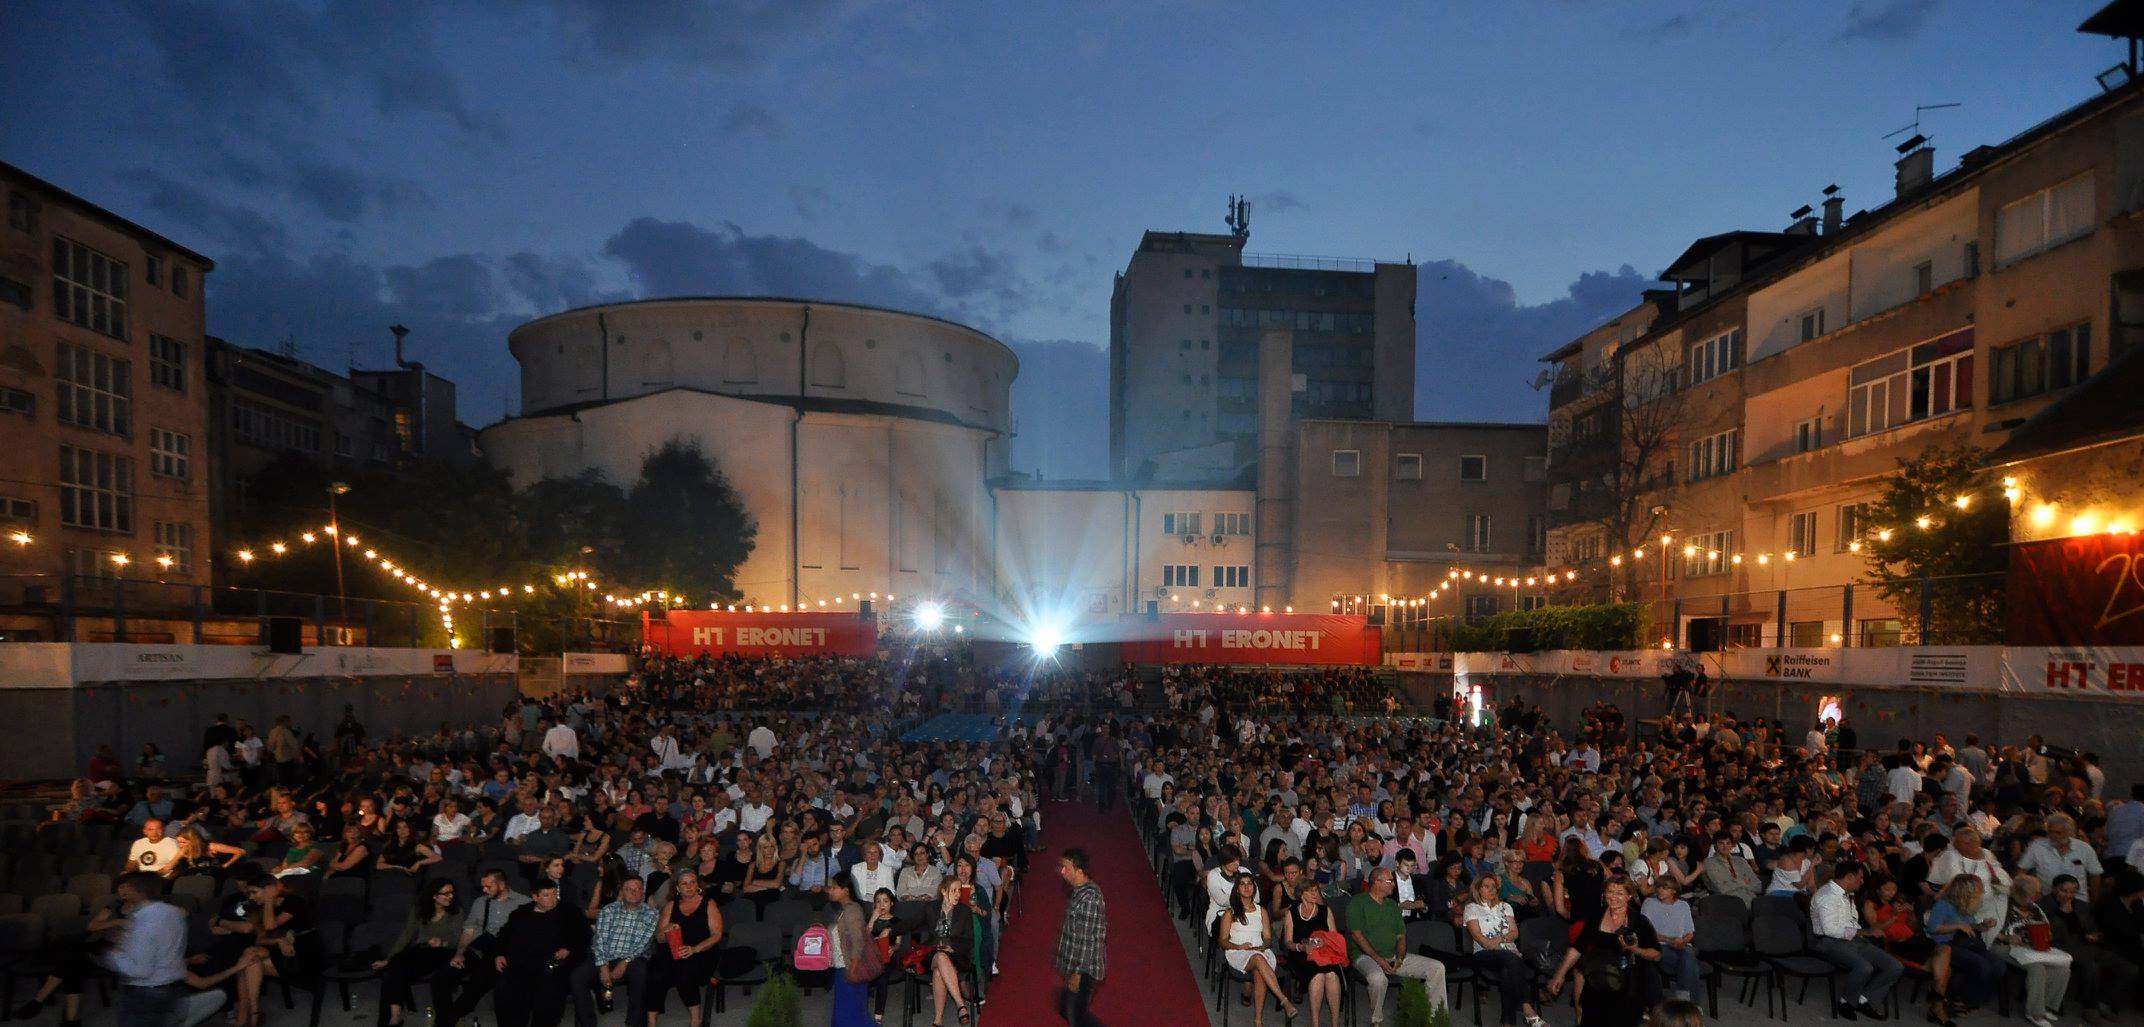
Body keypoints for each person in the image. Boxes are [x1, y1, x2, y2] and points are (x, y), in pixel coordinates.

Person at [1347, 867, 1447, 1026]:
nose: (1393, 884)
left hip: (1393, 956)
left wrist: (1400, 957)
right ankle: (1377, 1020)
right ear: (1377, 882)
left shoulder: (1392, 905)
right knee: (1377, 978)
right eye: (1390, 881)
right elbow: (1357, 935)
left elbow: (1401, 936)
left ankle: (1435, 1018)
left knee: (1437, 967)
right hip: (1365, 957)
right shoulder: (1358, 902)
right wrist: (1379, 960)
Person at [436, 868, 530, 1027]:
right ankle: (445, 1016)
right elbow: (468, 930)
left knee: (479, 982)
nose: (484, 890)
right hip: (479, 949)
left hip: (505, 953)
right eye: (483, 887)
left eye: (488, 886)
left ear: (501, 885)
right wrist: (459, 953)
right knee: (442, 977)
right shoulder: (480, 902)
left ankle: (446, 1020)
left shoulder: (524, 903)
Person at [1809, 863, 1902, 1020]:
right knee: (1864, 967)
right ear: (1849, 877)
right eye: (1860, 877)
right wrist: (1864, 932)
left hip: (1852, 939)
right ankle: (1846, 1002)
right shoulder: (1827, 896)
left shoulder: (1847, 894)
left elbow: (1852, 923)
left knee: (1894, 966)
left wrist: (1862, 933)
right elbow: (1830, 930)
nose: (1862, 881)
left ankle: (1863, 999)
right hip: (1827, 942)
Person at [492, 879, 591, 1027]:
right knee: (505, 987)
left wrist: (569, 948)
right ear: (535, 897)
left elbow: (584, 936)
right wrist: (499, 953)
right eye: (546, 895)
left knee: (549, 989)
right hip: (520, 962)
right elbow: (503, 935)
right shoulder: (520, 913)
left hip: (552, 962)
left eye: (554, 894)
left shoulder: (570, 912)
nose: (552, 899)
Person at [372, 878, 463, 1027]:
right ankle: (394, 1015)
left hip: (445, 952)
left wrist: (442, 942)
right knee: (393, 966)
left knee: (396, 969)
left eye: (452, 892)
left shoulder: (456, 911)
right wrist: (388, 958)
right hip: (423, 950)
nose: (451, 896)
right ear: (434, 896)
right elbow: (407, 934)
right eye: (446, 893)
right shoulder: (420, 909)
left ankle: (393, 1019)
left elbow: (459, 939)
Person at [1464, 874, 1547, 1027]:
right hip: (1483, 954)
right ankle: (1527, 1008)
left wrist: (1501, 940)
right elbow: (1479, 938)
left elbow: (1514, 933)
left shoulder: (1506, 906)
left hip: (1508, 954)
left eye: (1494, 887)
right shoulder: (1471, 908)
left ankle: (1507, 1023)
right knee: (1512, 958)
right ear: (1477, 889)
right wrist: (1501, 943)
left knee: (1507, 971)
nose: (1491, 889)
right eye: (1486, 886)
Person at [645, 870, 723, 1027]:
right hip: (672, 950)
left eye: (692, 882)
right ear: (678, 888)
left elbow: (716, 935)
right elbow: (659, 938)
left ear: (698, 885)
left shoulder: (709, 903)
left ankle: (695, 1020)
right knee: (656, 974)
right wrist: (666, 929)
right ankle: (651, 1021)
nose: (689, 886)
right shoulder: (670, 905)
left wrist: (694, 949)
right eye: (684, 883)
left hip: (701, 951)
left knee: (685, 974)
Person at [1220, 871, 1298, 1026]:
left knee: (1258, 971)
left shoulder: (1261, 911)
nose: (1247, 887)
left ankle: (1258, 1021)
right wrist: (1239, 946)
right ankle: (1284, 1000)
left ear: (1254, 889)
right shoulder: (1230, 913)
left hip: (1259, 950)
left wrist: (1263, 946)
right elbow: (1222, 941)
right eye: (1242, 884)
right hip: (1238, 952)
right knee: (1257, 959)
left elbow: (1268, 938)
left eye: (1250, 883)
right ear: (1237, 889)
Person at [1995, 876, 2072, 1027]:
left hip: (2028, 948)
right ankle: (2034, 1013)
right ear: (2019, 892)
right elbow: (1987, 928)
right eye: (2034, 893)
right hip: (2002, 945)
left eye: (2037, 893)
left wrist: (2045, 935)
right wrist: (2006, 937)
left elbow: (2044, 927)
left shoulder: (2034, 908)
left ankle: (2045, 1006)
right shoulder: (2002, 904)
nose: (2037, 896)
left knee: (2062, 967)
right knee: (2036, 967)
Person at [1924, 876, 2000, 1023]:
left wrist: (1982, 926)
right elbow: (1933, 929)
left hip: (1962, 942)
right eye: (1979, 889)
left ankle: (1969, 999)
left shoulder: (1965, 904)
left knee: (1998, 965)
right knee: (1982, 966)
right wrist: (1957, 926)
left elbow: (1969, 926)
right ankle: (1960, 1000)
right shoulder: (1944, 905)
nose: (1982, 892)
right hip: (1945, 943)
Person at [589, 875, 658, 1023]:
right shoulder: (608, 910)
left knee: (641, 972)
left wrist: (625, 961)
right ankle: (586, 1020)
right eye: (629, 889)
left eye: (637, 889)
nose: (633, 892)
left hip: (633, 957)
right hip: (605, 956)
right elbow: (599, 939)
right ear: (622, 892)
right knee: (578, 976)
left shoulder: (652, 914)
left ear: (643, 892)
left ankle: (634, 1021)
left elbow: (643, 944)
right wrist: (603, 966)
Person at [1280, 877, 1344, 1027]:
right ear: (1301, 893)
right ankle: (1315, 1023)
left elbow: (1335, 936)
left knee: (1332, 976)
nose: (1315, 894)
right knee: (1318, 977)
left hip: (1324, 953)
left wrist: (1325, 941)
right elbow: (1287, 942)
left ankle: (1335, 1023)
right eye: (1310, 891)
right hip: (1301, 954)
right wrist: (1301, 947)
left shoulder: (1324, 911)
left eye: (1316, 890)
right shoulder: (1293, 912)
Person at [1055, 848, 1106, 1027]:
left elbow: (1086, 941)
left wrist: (1077, 973)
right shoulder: (1080, 890)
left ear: (1079, 870)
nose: (1061, 871)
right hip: (1076, 965)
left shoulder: (1090, 898)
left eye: (1065, 867)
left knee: (1076, 1017)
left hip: (1084, 969)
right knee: (1068, 1010)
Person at [828, 877, 881, 1027]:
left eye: (834, 887)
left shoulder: (852, 911)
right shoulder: (846, 909)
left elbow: (858, 943)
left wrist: (852, 969)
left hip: (850, 967)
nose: (830, 890)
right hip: (844, 966)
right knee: (848, 1013)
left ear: (845, 890)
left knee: (850, 1016)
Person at [929, 877, 981, 1026]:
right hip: (933, 955)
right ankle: (961, 1005)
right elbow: (911, 922)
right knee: (939, 956)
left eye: (959, 890)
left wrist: (952, 947)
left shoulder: (964, 911)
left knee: (939, 972)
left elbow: (969, 941)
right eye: (954, 890)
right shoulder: (932, 908)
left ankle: (938, 1020)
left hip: (956, 956)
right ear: (943, 891)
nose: (958, 894)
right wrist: (888, 928)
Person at [1640, 877, 1701, 1003]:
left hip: (1681, 946)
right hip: (1659, 945)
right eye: (1658, 887)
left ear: (1674, 891)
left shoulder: (1683, 905)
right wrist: (1669, 940)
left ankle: (1684, 1004)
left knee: (1688, 953)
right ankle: (1690, 1005)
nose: (1660, 890)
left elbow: (1690, 932)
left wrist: (1683, 941)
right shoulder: (1649, 903)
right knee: (1691, 965)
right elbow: (1646, 933)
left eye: (1665, 888)